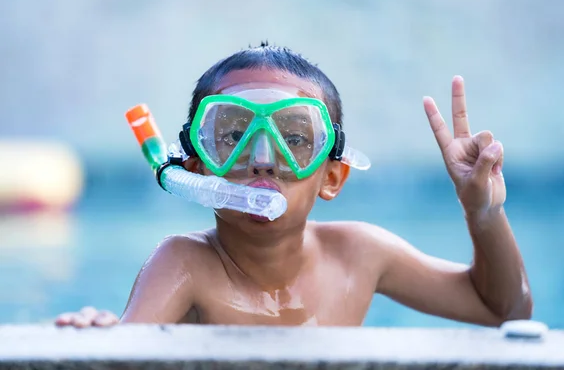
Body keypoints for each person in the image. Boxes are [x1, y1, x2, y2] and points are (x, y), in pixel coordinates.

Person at [55, 43, 532, 328]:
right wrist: (101, 338)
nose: (263, 161)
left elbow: (502, 310)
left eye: (295, 139)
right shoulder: (184, 265)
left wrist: (483, 213)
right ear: (198, 169)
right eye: (235, 136)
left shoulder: (359, 256)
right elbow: (125, 351)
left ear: (331, 176)